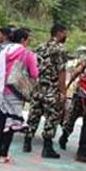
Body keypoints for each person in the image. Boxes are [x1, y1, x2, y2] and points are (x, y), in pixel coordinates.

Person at [0, 28, 38, 163]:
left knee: (1, 122)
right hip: (15, 92)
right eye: (27, 39)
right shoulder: (27, 54)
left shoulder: (4, 50)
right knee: (12, 124)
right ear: (23, 40)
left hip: (2, 90)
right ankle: (4, 154)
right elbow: (35, 74)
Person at [25, 23, 69, 159]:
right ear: (59, 33)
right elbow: (61, 71)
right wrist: (63, 92)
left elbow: (33, 68)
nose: (66, 35)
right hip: (52, 89)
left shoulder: (41, 48)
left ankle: (27, 142)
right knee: (51, 117)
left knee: (34, 114)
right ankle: (47, 147)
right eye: (65, 32)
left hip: (39, 87)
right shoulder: (60, 49)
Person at [58, 40, 86, 150]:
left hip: (81, 92)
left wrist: (68, 86)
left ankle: (64, 137)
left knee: (72, 116)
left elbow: (77, 72)